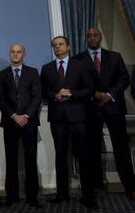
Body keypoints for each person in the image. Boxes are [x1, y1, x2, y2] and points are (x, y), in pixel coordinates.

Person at [74, 28, 135, 199]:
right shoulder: (77, 59)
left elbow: (124, 79)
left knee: (121, 147)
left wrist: (109, 95)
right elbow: (76, 83)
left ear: (100, 37)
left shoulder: (115, 56)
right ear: (85, 38)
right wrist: (94, 94)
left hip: (114, 107)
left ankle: (130, 187)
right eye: (89, 35)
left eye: (96, 35)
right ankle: (96, 185)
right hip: (90, 108)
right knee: (91, 149)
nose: (92, 37)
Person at [40, 36, 97, 209]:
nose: (57, 47)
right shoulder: (47, 68)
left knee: (84, 157)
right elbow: (43, 92)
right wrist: (55, 95)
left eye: (61, 44)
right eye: (55, 45)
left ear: (69, 47)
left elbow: (89, 88)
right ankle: (62, 194)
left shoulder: (81, 65)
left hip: (78, 117)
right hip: (58, 118)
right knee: (60, 156)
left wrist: (71, 93)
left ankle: (88, 196)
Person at [0, 44, 42, 208]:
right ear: (10, 54)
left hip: (29, 122)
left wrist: (26, 115)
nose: (15, 54)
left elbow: (37, 97)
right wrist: (14, 116)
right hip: (10, 122)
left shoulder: (33, 72)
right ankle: (11, 196)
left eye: (18, 52)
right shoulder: (2, 74)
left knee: (30, 160)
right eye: (13, 52)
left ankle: (32, 197)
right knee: (11, 160)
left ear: (24, 54)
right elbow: (0, 99)